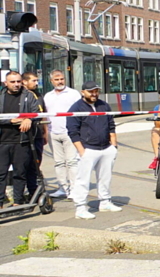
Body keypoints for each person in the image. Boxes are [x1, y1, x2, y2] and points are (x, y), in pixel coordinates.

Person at [67, 80, 121, 219]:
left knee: (105, 177)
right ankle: (80, 208)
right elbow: (72, 131)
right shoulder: (76, 108)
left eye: (96, 91)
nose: (94, 94)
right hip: (88, 149)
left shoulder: (104, 105)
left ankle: (105, 202)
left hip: (106, 147)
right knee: (82, 180)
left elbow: (111, 125)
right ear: (82, 92)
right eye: (91, 91)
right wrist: (81, 150)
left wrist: (113, 146)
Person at [0, 71, 40, 207]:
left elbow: (37, 112)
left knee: (20, 173)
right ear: (6, 83)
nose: (16, 84)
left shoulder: (28, 95)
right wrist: (11, 120)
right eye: (13, 82)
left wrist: (29, 118)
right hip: (3, 141)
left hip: (22, 141)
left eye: (18, 81)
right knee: (1, 174)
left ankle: (17, 202)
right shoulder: (1, 96)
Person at [43, 70, 80, 199]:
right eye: (57, 79)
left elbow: (80, 112)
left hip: (70, 133)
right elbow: (45, 115)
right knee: (59, 162)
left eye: (62, 79)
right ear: (51, 81)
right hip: (53, 132)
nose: (60, 81)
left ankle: (75, 189)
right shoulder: (48, 96)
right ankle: (62, 188)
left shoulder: (73, 94)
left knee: (72, 162)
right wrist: (46, 132)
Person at [21, 71, 47, 200]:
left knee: (36, 162)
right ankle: (29, 189)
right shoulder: (23, 96)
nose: (36, 83)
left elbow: (43, 114)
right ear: (24, 82)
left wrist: (45, 132)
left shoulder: (38, 94)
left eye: (37, 80)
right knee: (27, 163)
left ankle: (33, 188)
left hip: (38, 134)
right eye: (34, 81)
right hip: (27, 135)